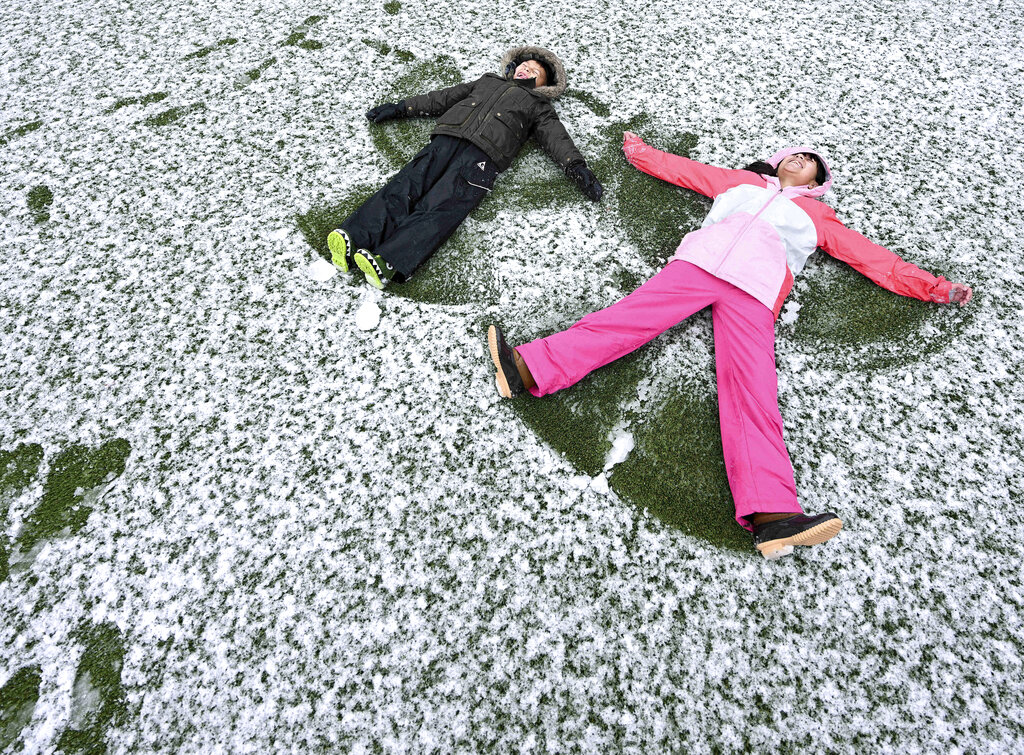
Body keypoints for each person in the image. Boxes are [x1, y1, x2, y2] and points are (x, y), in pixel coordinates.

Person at [487, 132, 973, 560]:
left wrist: (932, 287)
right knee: (624, 322)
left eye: (811, 161)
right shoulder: (740, 183)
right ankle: (526, 370)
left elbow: (873, 259)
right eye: (795, 155)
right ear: (779, 161)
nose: (800, 160)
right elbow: (686, 172)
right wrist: (638, 151)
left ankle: (774, 514)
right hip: (698, 266)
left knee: (752, 391)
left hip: (757, 290)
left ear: (818, 179)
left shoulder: (819, 217)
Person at [327, 45, 603, 290]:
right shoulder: (487, 81)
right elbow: (443, 98)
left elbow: (556, 137)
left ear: (544, 85)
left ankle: (389, 260)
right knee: (404, 186)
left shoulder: (538, 106)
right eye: (524, 65)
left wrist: (576, 167)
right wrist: (401, 108)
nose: (526, 70)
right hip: (447, 139)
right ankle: (354, 236)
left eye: (535, 72)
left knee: (441, 206)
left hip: (482, 159)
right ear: (513, 67)